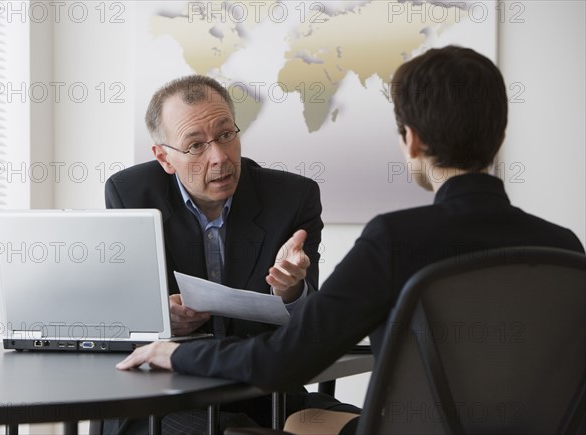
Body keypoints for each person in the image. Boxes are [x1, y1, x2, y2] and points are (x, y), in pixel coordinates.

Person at [115, 47, 585, 434]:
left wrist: (176, 350)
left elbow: (285, 361)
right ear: (501, 135)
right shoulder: (565, 248)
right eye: (197, 144)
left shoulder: (396, 239)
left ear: (412, 141)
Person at [105, 75, 357, 434]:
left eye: (226, 135)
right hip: (166, 395)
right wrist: (159, 318)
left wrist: (290, 291)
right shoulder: (130, 194)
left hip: (261, 390)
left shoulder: (291, 197)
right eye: (195, 146)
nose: (220, 157)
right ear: (164, 157)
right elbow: (119, 310)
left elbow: (306, 323)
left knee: (373, 422)